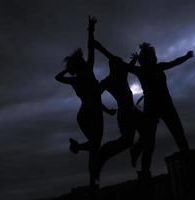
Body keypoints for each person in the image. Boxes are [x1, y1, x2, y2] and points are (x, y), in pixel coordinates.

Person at [55, 17, 113, 189]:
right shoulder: (88, 70)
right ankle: (80, 150)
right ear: (82, 63)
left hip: (84, 114)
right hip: (93, 113)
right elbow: (90, 49)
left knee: (94, 148)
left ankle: (91, 181)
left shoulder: (75, 80)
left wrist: (68, 69)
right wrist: (90, 30)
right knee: (95, 146)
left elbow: (57, 78)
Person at [93, 41, 155, 180]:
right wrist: (106, 110)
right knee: (128, 140)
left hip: (130, 111)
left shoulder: (121, 73)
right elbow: (95, 99)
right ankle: (103, 154)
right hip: (126, 113)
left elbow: (128, 66)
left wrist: (134, 59)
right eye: (118, 63)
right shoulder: (109, 80)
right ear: (114, 66)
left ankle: (131, 150)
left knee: (145, 132)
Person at [125, 43, 194, 167]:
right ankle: (138, 155)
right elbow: (127, 68)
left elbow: (174, 62)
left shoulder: (158, 67)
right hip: (152, 107)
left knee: (177, 131)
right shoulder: (141, 70)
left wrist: (186, 57)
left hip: (166, 105)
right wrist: (134, 61)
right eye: (146, 56)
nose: (149, 58)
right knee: (150, 137)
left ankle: (187, 155)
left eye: (149, 55)